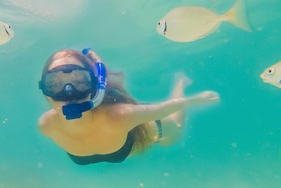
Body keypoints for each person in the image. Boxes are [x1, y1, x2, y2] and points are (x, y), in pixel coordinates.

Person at [37, 48, 219, 165]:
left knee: (175, 133)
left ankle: (180, 82)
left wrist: (193, 100)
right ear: (46, 92)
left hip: (144, 130)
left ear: (94, 86)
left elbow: (163, 109)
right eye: (55, 84)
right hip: (124, 134)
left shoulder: (119, 117)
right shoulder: (46, 125)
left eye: (80, 81)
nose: (69, 92)